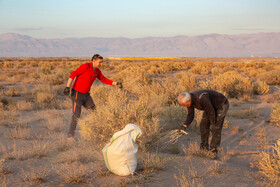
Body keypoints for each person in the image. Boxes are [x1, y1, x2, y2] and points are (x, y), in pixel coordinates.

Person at [63, 54, 122, 137]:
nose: (101, 64)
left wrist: (116, 83)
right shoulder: (85, 66)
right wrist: (67, 87)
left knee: (95, 113)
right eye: (100, 62)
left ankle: (97, 133)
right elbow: (73, 74)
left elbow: (103, 79)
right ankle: (70, 136)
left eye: (102, 62)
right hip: (77, 94)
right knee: (76, 115)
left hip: (86, 95)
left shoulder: (97, 71)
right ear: (94, 61)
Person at [177, 89, 229, 154]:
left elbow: (211, 112)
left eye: (184, 105)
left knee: (216, 129)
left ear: (188, 100)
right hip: (210, 107)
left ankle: (213, 152)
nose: (184, 106)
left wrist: (213, 124)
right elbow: (191, 115)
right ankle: (204, 148)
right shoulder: (189, 101)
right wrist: (185, 125)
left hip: (221, 105)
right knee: (203, 126)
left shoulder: (202, 98)